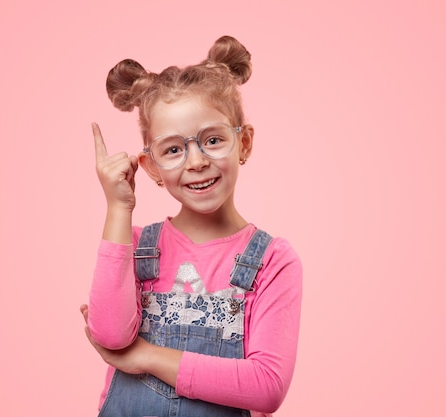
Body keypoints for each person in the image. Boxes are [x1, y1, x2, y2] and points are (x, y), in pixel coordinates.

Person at [80, 35, 303, 417]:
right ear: (151, 167)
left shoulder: (271, 261)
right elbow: (111, 337)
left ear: (244, 143)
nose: (196, 161)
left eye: (212, 140)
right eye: (173, 149)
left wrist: (146, 356)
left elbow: (267, 387)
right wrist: (118, 207)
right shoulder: (134, 247)